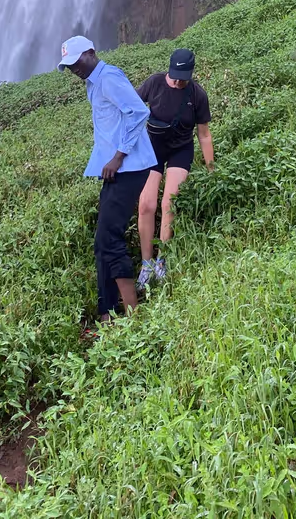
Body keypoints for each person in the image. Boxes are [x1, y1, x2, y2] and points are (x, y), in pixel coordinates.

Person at [57, 35, 157, 324]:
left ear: (91, 53)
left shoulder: (109, 76)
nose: (74, 68)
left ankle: (131, 314)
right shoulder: (93, 82)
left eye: (77, 61)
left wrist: (118, 156)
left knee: (109, 239)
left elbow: (138, 112)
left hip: (128, 167)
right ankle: (108, 313)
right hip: (116, 170)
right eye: (69, 65)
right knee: (102, 241)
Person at [135, 48, 214, 290]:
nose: (178, 80)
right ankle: (145, 264)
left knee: (169, 202)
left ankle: (162, 259)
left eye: (183, 76)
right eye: (175, 75)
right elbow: (132, 111)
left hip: (181, 150)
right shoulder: (154, 83)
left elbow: (204, 135)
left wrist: (212, 169)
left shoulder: (197, 94)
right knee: (146, 204)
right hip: (153, 149)